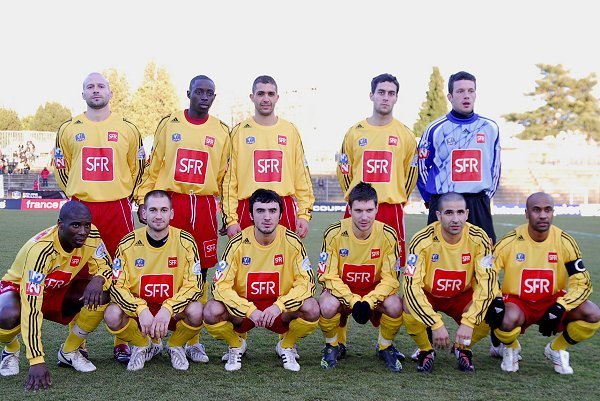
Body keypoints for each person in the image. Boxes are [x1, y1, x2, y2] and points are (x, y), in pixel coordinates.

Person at [133, 75, 230, 363]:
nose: (204, 96)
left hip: (202, 207)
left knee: (198, 273)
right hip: (171, 202)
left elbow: (225, 178)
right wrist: (143, 199)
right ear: (188, 93)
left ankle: (191, 340)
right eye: (198, 91)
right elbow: (154, 166)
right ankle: (153, 338)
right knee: (164, 268)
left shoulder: (223, 130)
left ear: (214, 96)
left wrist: (225, 213)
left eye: (209, 92)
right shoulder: (169, 123)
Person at [54, 72, 145, 362]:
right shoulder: (68, 128)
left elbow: (138, 167)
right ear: (83, 94)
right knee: (78, 273)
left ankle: (122, 340)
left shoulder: (128, 128)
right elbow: (61, 167)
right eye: (90, 87)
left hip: (117, 206)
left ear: (110, 93)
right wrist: (75, 195)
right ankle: (77, 342)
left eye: (100, 86)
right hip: (81, 207)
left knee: (122, 272)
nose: (96, 91)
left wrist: (129, 196)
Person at [0, 201, 112, 390]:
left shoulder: (92, 236)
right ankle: (11, 349)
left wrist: (99, 278)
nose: (83, 231)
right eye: (76, 225)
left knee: (103, 293)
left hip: (57, 289)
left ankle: (69, 351)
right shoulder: (41, 251)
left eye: (87, 224)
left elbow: (106, 267)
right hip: (20, 290)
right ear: (60, 225)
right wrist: (36, 360)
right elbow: (31, 306)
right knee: (6, 313)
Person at [204, 189, 319, 372]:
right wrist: (250, 311)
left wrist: (279, 306)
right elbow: (220, 286)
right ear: (250, 214)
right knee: (211, 311)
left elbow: (306, 283)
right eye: (260, 211)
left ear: (280, 214)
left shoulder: (292, 242)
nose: (267, 217)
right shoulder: (237, 243)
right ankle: (236, 344)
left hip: (279, 311)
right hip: (245, 311)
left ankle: (286, 345)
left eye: (272, 211)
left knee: (311, 308)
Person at [491, 192, 599, 374]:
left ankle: (556, 349)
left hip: (552, 301)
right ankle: (511, 347)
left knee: (593, 313)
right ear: (526, 213)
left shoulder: (565, 242)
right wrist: (497, 299)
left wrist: (561, 306)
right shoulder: (509, 241)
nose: (543, 215)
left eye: (547, 210)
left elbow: (582, 282)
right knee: (503, 317)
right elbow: (487, 274)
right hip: (518, 302)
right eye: (536, 210)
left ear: (553, 213)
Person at [104, 190, 204, 371]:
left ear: (171, 214)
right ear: (143, 213)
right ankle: (143, 344)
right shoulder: (128, 243)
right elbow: (117, 287)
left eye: (164, 210)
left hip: (171, 310)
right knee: (112, 314)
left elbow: (195, 285)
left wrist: (168, 308)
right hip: (141, 311)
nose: (159, 216)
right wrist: (140, 309)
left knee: (197, 310)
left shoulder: (186, 241)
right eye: (153, 210)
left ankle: (175, 345)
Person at [403, 192, 496, 373]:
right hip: (429, 294)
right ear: (438, 216)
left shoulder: (480, 238)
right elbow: (411, 287)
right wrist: (436, 324)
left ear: (467, 214)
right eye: (449, 213)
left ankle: (462, 348)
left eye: (460, 212)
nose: (455, 219)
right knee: (407, 304)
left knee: (490, 308)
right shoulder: (421, 240)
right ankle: (425, 350)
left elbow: (487, 284)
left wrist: (469, 322)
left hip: (461, 296)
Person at [318, 182, 404, 372]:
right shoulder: (334, 233)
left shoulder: (389, 235)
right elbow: (328, 275)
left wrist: (370, 300)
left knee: (396, 305)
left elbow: (391, 279)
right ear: (349, 209)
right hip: (343, 290)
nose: (364, 216)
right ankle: (333, 345)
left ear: (377, 208)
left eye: (369, 210)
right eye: (358, 210)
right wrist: (353, 300)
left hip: (373, 290)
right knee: (326, 305)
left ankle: (384, 346)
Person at [337, 73, 418, 267]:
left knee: (393, 265)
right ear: (371, 95)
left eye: (391, 93)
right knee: (351, 261)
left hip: (391, 208)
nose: (386, 97)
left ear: (396, 97)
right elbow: (344, 169)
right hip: (358, 208)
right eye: (381, 92)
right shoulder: (354, 132)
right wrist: (355, 197)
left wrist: (398, 198)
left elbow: (411, 173)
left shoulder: (406, 135)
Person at [221, 75, 314, 239]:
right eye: (261, 93)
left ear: (277, 98)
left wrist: (304, 215)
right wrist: (231, 220)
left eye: (270, 94)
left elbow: (302, 176)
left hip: (283, 207)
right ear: (252, 97)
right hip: (248, 208)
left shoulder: (290, 130)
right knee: (248, 263)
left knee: (284, 263)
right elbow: (229, 181)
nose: (266, 98)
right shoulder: (238, 132)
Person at [417, 71, 500, 243]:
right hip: (444, 201)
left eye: (471, 91)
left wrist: (485, 197)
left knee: (483, 258)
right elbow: (421, 166)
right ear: (450, 96)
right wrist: (432, 199)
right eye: (461, 91)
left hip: (477, 203)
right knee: (438, 257)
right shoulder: (435, 129)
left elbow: (495, 167)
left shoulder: (490, 127)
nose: (466, 95)